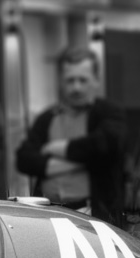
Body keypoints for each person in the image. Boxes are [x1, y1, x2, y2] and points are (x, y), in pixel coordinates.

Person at [16, 46, 126, 226]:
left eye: (83, 80)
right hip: (48, 215)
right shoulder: (47, 117)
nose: (76, 87)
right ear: (60, 81)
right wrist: (83, 161)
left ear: (96, 80)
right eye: (70, 80)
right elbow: (24, 159)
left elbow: (106, 145)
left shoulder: (109, 113)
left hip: (94, 214)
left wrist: (57, 149)